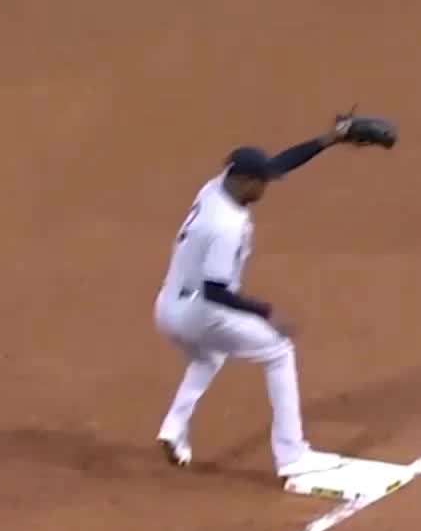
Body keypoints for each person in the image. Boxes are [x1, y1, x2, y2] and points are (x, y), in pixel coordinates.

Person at [153, 118, 365, 480]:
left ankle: (173, 428)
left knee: (210, 354)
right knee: (279, 351)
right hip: (200, 308)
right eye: (261, 183)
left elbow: (278, 163)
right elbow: (216, 290)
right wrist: (266, 312)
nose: (266, 188)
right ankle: (292, 455)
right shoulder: (226, 225)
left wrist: (328, 140)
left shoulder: (214, 188)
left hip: (166, 307)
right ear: (244, 181)